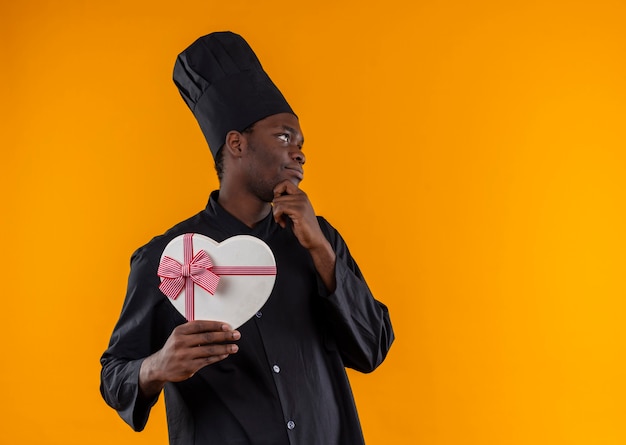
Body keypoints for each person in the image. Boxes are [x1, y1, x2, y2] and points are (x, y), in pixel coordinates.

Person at [100, 31, 394, 445]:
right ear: (237, 143)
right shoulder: (172, 257)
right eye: (283, 136)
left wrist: (321, 252)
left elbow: (372, 349)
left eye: (301, 143)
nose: (299, 152)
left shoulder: (317, 239)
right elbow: (114, 376)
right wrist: (157, 366)